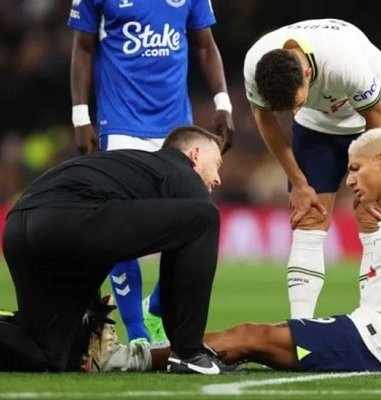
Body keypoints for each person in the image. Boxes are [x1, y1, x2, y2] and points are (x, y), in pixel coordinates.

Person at [93, 129, 381, 376]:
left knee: (249, 337)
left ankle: (126, 359)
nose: (349, 180)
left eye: (355, 169)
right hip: (372, 336)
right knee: (252, 337)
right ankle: (145, 356)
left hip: (376, 344)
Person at [0, 125, 238, 375]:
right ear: (195, 154)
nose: (218, 178)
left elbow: (172, 252)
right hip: (69, 219)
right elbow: (188, 242)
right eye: (217, 165)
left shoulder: (130, 168)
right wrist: (185, 347)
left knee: (48, 354)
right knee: (206, 217)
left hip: (19, 224)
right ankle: (189, 355)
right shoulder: (180, 169)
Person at [68, 0, 235, 345]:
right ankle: (138, 335)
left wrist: (223, 102)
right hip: (121, 122)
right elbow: (83, 48)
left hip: (176, 127)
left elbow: (205, 44)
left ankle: (155, 309)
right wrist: (80, 116)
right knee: (120, 225)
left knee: (196, 218)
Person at [242, 18, 381, 319]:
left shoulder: (345, 63)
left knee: (371, 217)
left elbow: (377, 117)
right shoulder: (256, 65)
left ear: (307, 74)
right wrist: (298, 183)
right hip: (316, 125)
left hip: (373, 118)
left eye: (297, 102)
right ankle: (301, 327)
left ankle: (376, 320)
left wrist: (363, 179)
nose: (293, 111)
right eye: (287, 109)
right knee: (309, 215)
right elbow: (266, 121)